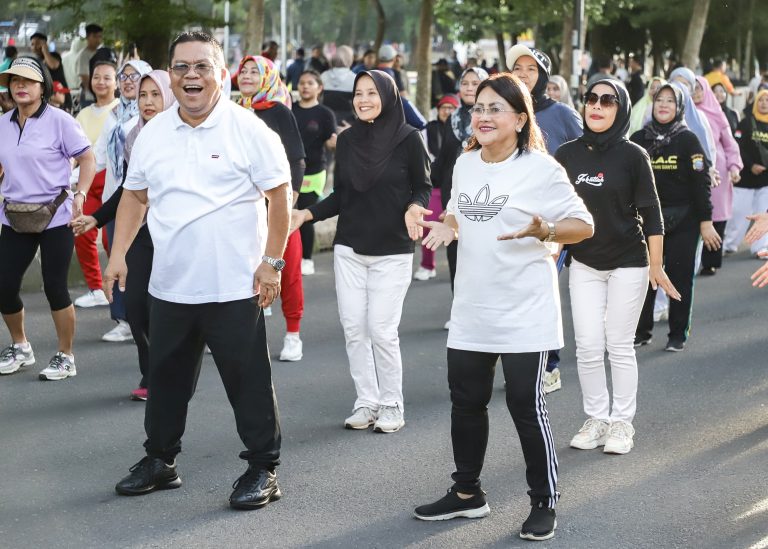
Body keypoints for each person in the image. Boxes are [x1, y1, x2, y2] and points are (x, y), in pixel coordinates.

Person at [108, 31, 291, 509]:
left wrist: (272, 262)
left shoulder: (249, 129)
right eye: (182, 67)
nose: (191, 75)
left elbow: (280, 196)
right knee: (165, 380)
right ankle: (160, 460)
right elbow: (135, 195)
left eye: (202, 66)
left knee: (247, 381)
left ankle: (263, 468)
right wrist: (118, 253)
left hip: (234, 286)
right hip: (171, 285)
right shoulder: (153, 133)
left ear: (221, 74)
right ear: (171, 75)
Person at [411, 73, 593, 542]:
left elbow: (583, 225)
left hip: (525, 309)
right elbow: (459, 210)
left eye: (496, 108)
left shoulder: (542, 169)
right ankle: (467, 493)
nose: (484, 116)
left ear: (520, 118)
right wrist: (449, 225)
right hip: (473, 307)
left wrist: (545, 230)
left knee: (525, 406)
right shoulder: (466, 163)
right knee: (466, 403)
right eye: (479, 108)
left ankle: (543, 502)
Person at [290, 70, 431, 433]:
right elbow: (341, 195)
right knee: (354, 329)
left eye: (372, 92)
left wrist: (415, 206)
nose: (364, 99)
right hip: (350, 249)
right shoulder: (348, 140)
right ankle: (367, 401)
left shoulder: (409, 138)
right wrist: (306, 214)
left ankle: (392, 404)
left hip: (393, 250)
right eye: (358, 93)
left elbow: (422, 186)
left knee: (381, 330)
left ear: (388, 96)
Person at [555, 80, 677, 455]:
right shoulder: (566, 154)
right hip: (584, 262)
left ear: (620, 108)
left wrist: (656, 265)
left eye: (607, 100)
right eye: (591, 98)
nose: (597, 106)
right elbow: (553, 209)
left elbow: (652, 215)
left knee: (619, 344)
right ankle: (597, 419)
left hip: (628, 262)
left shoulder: (634, 155)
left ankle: (622, 422)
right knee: (588, 345)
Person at [71, 70, 174, 401]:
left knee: (172, 310)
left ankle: (171, 374)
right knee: (136, 305)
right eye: (143, 95)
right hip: (142, 231)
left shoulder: (185, 136)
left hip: (178, 233)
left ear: (170, 96)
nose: (147, 102)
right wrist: (97, 218)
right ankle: (151, 375)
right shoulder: (135, 137)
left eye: (155, 94)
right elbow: (129, 190)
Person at [0, 56, 95, 380]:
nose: (20, 86)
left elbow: (87, 158)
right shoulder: (3, 123)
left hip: (55, 215)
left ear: (43, 87)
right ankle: (21, 346)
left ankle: (66, 356)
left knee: (55, 287)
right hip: (15, 216)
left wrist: (81, 194)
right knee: (4, 286)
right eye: (14, 80)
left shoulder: (60, 121)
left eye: (28, 80)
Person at [508, 44, 583, 392]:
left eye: (531, 69)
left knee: (541, 289)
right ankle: (523, 363)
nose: (523, 75)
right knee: (516, 293)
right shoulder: (505, 111)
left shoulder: (563, 114)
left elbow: (589, 154)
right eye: (517, 68)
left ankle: (549, 366)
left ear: (543, 76)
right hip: (511, 218)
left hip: (554, 221)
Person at [632, 83, 721, 352]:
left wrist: (706, 222)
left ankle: (677, 334)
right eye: (660, 99)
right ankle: (641, 331)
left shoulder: (688, 140)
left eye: (670, 101)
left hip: (684, 220)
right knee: (644, 278)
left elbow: (701, 183)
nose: (664, 105)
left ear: (679, 107)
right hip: (647, 222)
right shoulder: (639, 139)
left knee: (680, 278)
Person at [237, 54, 307, 362]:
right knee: (244, 270)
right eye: (243, 71)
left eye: (255, 72)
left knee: (286, 270)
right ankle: (243, 332)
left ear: (267, 77)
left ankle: (293, 335)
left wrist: (290, 203)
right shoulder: (233, 110)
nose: (247, 76)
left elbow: (297, 159)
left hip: (277, 204)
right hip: (243, 206)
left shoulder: (278, 111)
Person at [92, 59, 152, 343]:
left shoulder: (150, 120)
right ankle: (123, 318)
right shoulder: (115, 114)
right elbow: (99, 155)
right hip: (115, 198)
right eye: (124, 76)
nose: (128, 81)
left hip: (140, 204)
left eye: (135, 76)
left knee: (134, 260)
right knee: (116, 257)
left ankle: (137, 319)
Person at [430, 66, 489, 324]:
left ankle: (483, 313)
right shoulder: (453, 119)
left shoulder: (492, 119)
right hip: (452, 202)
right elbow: (443, 161)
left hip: (484, 202)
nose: (469, 87)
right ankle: (460, 313)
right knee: (455, 259)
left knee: (481, 260)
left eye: (475, 83)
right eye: (465, 83)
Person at [73, 61, 119, 309]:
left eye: (107, 77)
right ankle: (96, 288)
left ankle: (121, 290)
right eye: (96, 77)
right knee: (82, 230)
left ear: (116, 82)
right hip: (88, 180)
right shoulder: (83, 114)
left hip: (112, 180)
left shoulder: (121, 109)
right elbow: (74, 150)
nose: (101, 82)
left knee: (112, 239)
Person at [693, 76, 743, 275]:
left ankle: (711, 261)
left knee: (717, 216)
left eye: (699, 88)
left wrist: (734, 167)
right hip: (690, 171)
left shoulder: (717, 114)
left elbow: (730, 144)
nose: (695, 92)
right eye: (692, 88)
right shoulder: (684, 112)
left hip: (718, 174)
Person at [293, 70, 338, 276]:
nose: (305, 86)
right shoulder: (290, 110)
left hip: (314, 172)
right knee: (286, 214)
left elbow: (330, 143)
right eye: (302, 83)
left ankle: (307, 259)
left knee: (304, 213)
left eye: (310, 83)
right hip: (291, 171)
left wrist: (336, 142)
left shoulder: (325, 114)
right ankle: (290, 257)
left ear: (319, 88)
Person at [415, 94, 458, 281]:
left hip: (457, 187)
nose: (447, 111)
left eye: (451, 108)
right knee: (429, 227)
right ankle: (427, 265)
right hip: (435, 185)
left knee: (460, 231)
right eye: (444, 108)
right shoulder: (428, 129)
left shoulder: (462, 130)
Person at [724, 89, 768, 255]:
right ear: (755, 102)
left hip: (765, 180)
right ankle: (729, 244)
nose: (764, 103)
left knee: (763, 215)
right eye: (761, 100)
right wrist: (751, 166)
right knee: (739, 213)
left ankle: (760, 247)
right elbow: (737, 148)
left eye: (767, 100)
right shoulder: (745, 122)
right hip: (746, 179)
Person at [30, 32, 72, 112]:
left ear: (45, 44)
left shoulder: (54, 56)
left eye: (38, 43)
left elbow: (53, 65)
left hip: (61, 99)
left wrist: (45, 50)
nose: (34, 47)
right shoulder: (35, 61)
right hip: (47, 101)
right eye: (32, 44)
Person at [76, 24, 104, 108]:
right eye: (95, 36)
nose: (98, 40)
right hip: (89, 97)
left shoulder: (101, 53)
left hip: (100, 95)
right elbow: (84, 78)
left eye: (99, 36)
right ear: (88, 37)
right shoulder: (83, 55)